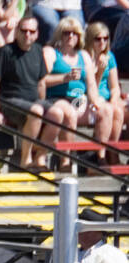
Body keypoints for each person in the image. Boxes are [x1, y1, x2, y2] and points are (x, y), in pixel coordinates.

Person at [0, 15, 74, 169]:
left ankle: (40, 155)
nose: (27, 34)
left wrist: (43, 103)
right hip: (10, 100)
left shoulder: (38, 50)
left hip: (33, 102)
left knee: (57, 113)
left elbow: (41, 82)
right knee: (37, 110)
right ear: (17, 32)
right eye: (24, 30)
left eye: (31, 31)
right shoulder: (5, 52)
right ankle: (25, 159)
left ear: (36, 34)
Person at [44, 17, 104, 169]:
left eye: (74, 33)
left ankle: (101, 157)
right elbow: (42, 80)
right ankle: (66, 159)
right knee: (69, 112)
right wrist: (65, 77)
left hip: (78, 99)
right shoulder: (51, 52)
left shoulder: (83, 55)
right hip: (56, 98)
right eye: (66, 33)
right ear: (60, 35)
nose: (71, 36)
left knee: (106, 110)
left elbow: (91, 84)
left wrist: (95, 101)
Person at [86, 20, 126, 163]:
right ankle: (101, 155)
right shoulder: (85, 57)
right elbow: (90, 89)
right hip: (89, 99)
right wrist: (100, 72)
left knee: (118, 110)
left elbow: (114, 86)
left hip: (107, 99)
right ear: (90, 39)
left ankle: (112, 152)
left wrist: (115, 100)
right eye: (98, 39)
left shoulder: (110, 56)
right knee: (108, 110)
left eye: (105, 38)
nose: (102, 42)